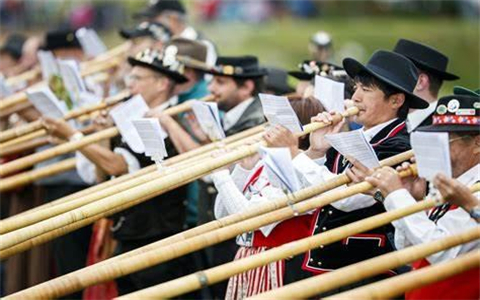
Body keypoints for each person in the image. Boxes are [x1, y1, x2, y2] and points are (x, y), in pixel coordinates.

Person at [265, 50, 429, 293]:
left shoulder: (400, 145)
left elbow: (348, 199)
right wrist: (315, 151)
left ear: (396, 101)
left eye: (367, 90)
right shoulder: (353, 136)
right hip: (322, 268)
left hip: (363, 274)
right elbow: (305, 194)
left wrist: (294, 153)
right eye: (356, 88)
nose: (356, 97)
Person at [43, 48, 194, 296]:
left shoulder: (168, 120)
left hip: (157, 238)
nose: (129, 84)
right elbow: (102, 176)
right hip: (128, 232)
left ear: (162, 83)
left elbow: (118, 166)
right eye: (129, 77)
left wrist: (73, 136)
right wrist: (101, 138)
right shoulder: (131, 114)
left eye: (137, 78)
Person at [366, 92, 480, 299]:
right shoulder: (450, 182)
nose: (438, 148)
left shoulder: (474, 191)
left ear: (477, 143)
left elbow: (442, 252)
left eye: (447, 140)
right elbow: (408, 251)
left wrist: (396, 195)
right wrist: (412, 200)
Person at [210, 96, 325, 299]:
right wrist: (242, 168)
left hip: (281, 264)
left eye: (274, 126)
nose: (266, 132)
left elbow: (249, 218)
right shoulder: (265, 163)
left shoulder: (309, 169)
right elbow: (222, 214)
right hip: (251, 259)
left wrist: (220, 175)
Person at [393, 39, 459, 132]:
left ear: (420, 82)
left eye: (396, 73)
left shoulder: (446, 129)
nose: (389, 80)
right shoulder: (393, 119)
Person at [134, 0, 217, 67]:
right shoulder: (160, 43)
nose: (149, 24)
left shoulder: (203, 45)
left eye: (153, 19)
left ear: (172, 19)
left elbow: (208, 82)